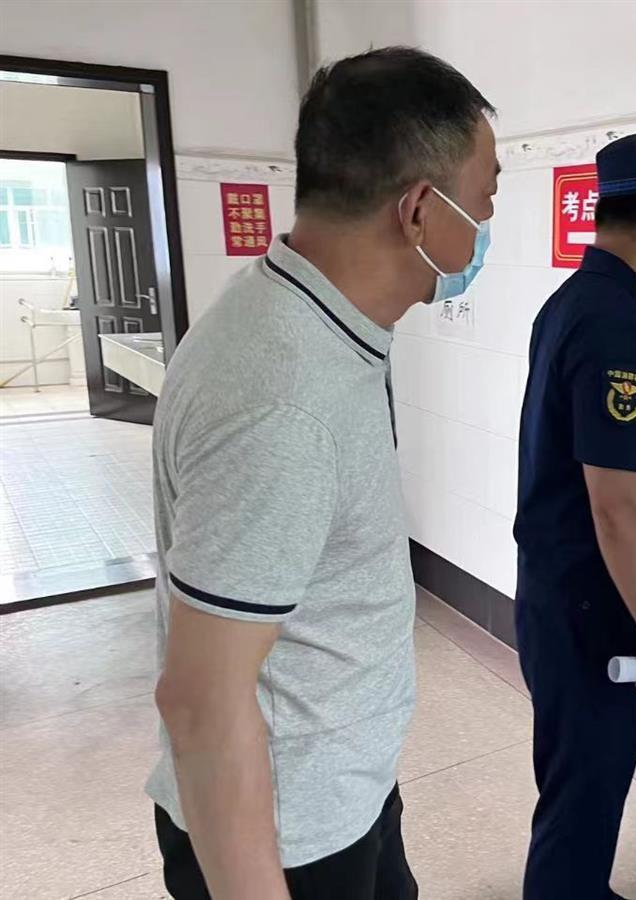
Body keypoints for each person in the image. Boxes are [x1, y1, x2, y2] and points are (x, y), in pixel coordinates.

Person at [147, 47, 498, 900]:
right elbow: (201, 700)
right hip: (285, 839)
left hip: (342, 788)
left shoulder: (312, 321)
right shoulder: (283, 401)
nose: (488, 225)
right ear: (422, 210)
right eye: (486, 200)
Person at [513, 132, 636, 899]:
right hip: (599, 613)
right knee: (583, 799)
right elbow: (618, 502)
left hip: (573, 596)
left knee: (584, 789)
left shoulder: (579, 301)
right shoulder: (616, 323)